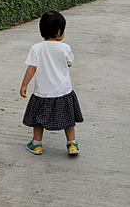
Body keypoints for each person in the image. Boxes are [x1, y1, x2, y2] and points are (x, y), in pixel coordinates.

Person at [20, 10, 83, 155]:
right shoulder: (65, 48)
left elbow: (32, 68)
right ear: (60, 31)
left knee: (38, 119)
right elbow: (69, 63)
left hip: (43, 92)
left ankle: (36, 144)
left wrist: (24, 84)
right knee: (69, 119)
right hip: (63, 91)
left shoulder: (36, 48)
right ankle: (72, 144)